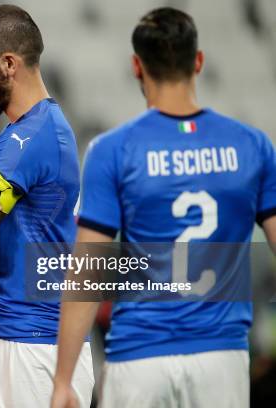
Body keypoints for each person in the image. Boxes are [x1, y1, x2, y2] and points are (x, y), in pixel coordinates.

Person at [51, 7, 276, 408]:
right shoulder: (252, 145)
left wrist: (64, 378)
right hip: (220, 356)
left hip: (139, 355)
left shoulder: (112, 150)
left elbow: (89, 268)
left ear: (137, 66)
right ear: (199, 61)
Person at [0, 5, 94, 407]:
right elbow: (35, 224)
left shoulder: (28, 141)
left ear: (8, 64)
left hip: (34, 350)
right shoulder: (37, 131)